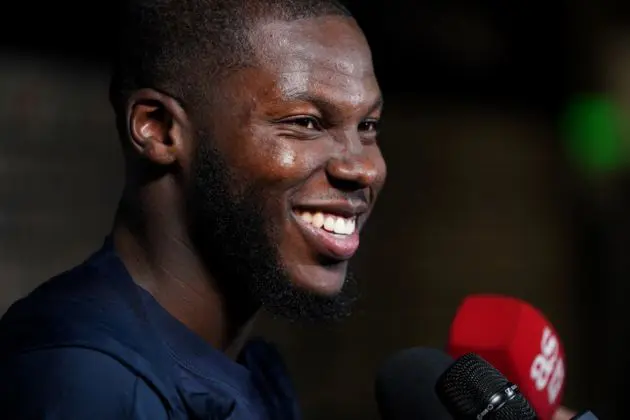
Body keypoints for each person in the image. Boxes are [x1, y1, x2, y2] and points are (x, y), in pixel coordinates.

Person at [0, 0, 385, 419]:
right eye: (305, 122)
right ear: (160, 129)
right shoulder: (86, 383)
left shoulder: (254, 371)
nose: (362, 167)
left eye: (367, 126)